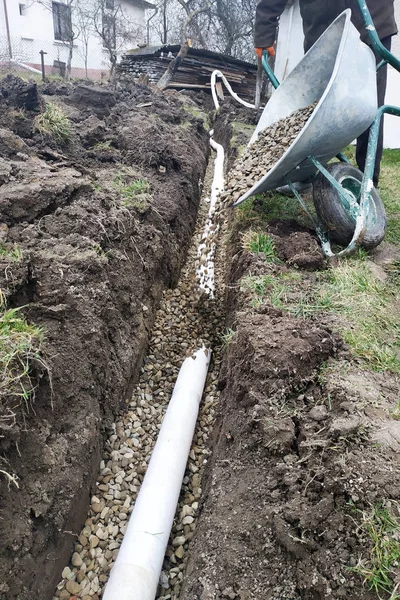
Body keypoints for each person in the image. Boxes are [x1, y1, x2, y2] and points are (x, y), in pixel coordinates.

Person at [254, 0, 398, 187]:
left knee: (370, 106)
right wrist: (264, 28)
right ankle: (304, 173)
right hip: (323, 30)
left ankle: (368, 183)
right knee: (315, 108)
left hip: (371, 23)